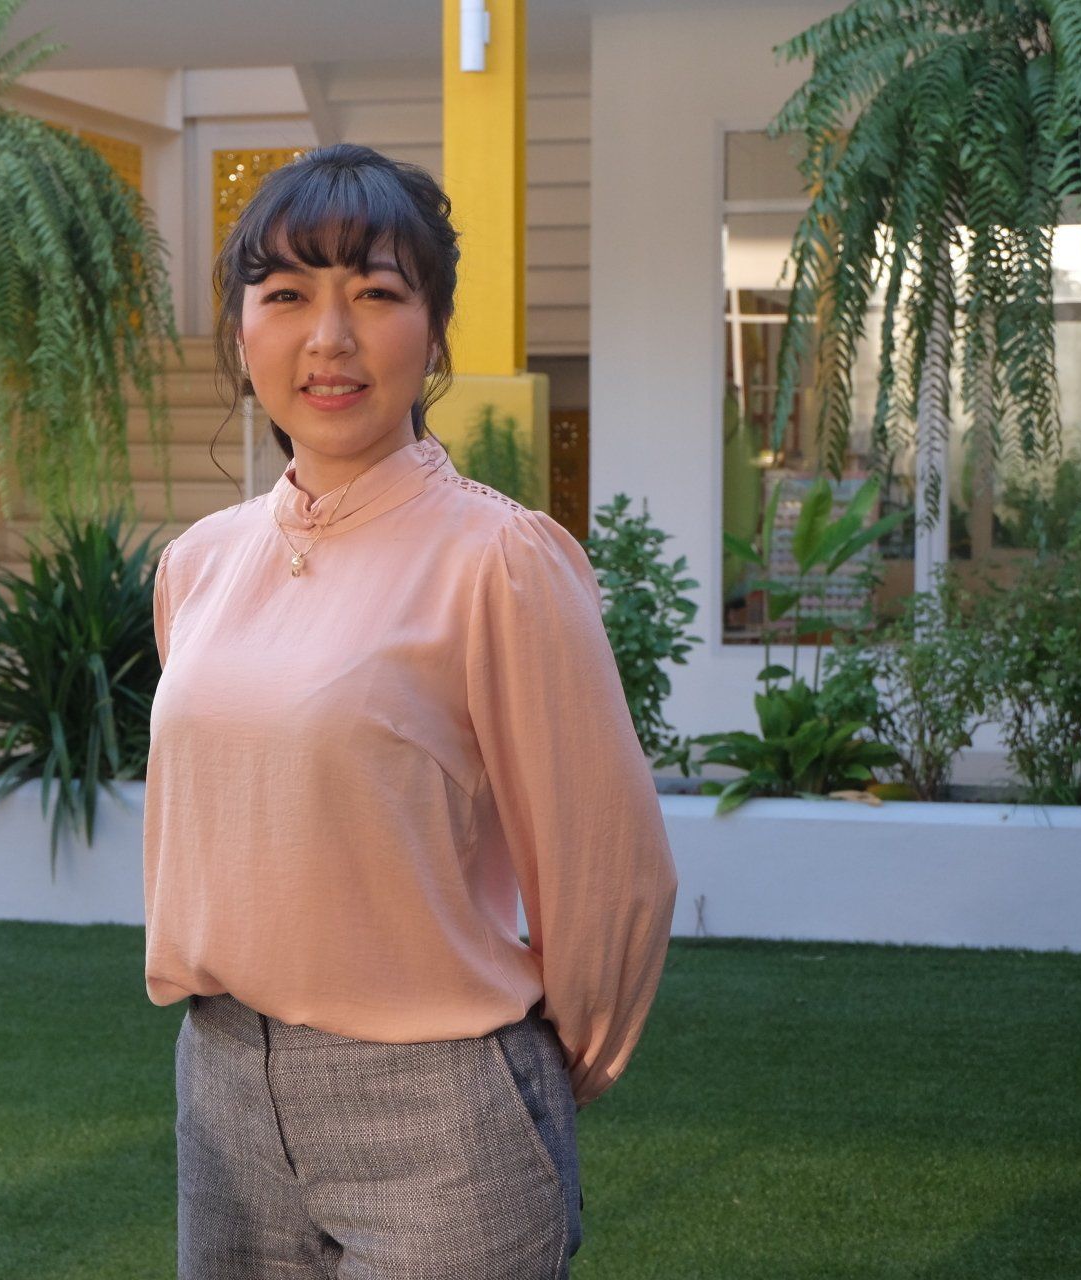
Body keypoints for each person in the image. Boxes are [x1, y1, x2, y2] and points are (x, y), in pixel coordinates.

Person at [142, 142, 679, 1279]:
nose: (330, 339)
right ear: (241, 331)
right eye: (288, 296)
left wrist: (535, 1067)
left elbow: (609, 864)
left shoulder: (500, 561)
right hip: (223, 1086)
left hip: (440, 1108)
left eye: (377, 295)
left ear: (434, 335)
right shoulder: (197, 564)